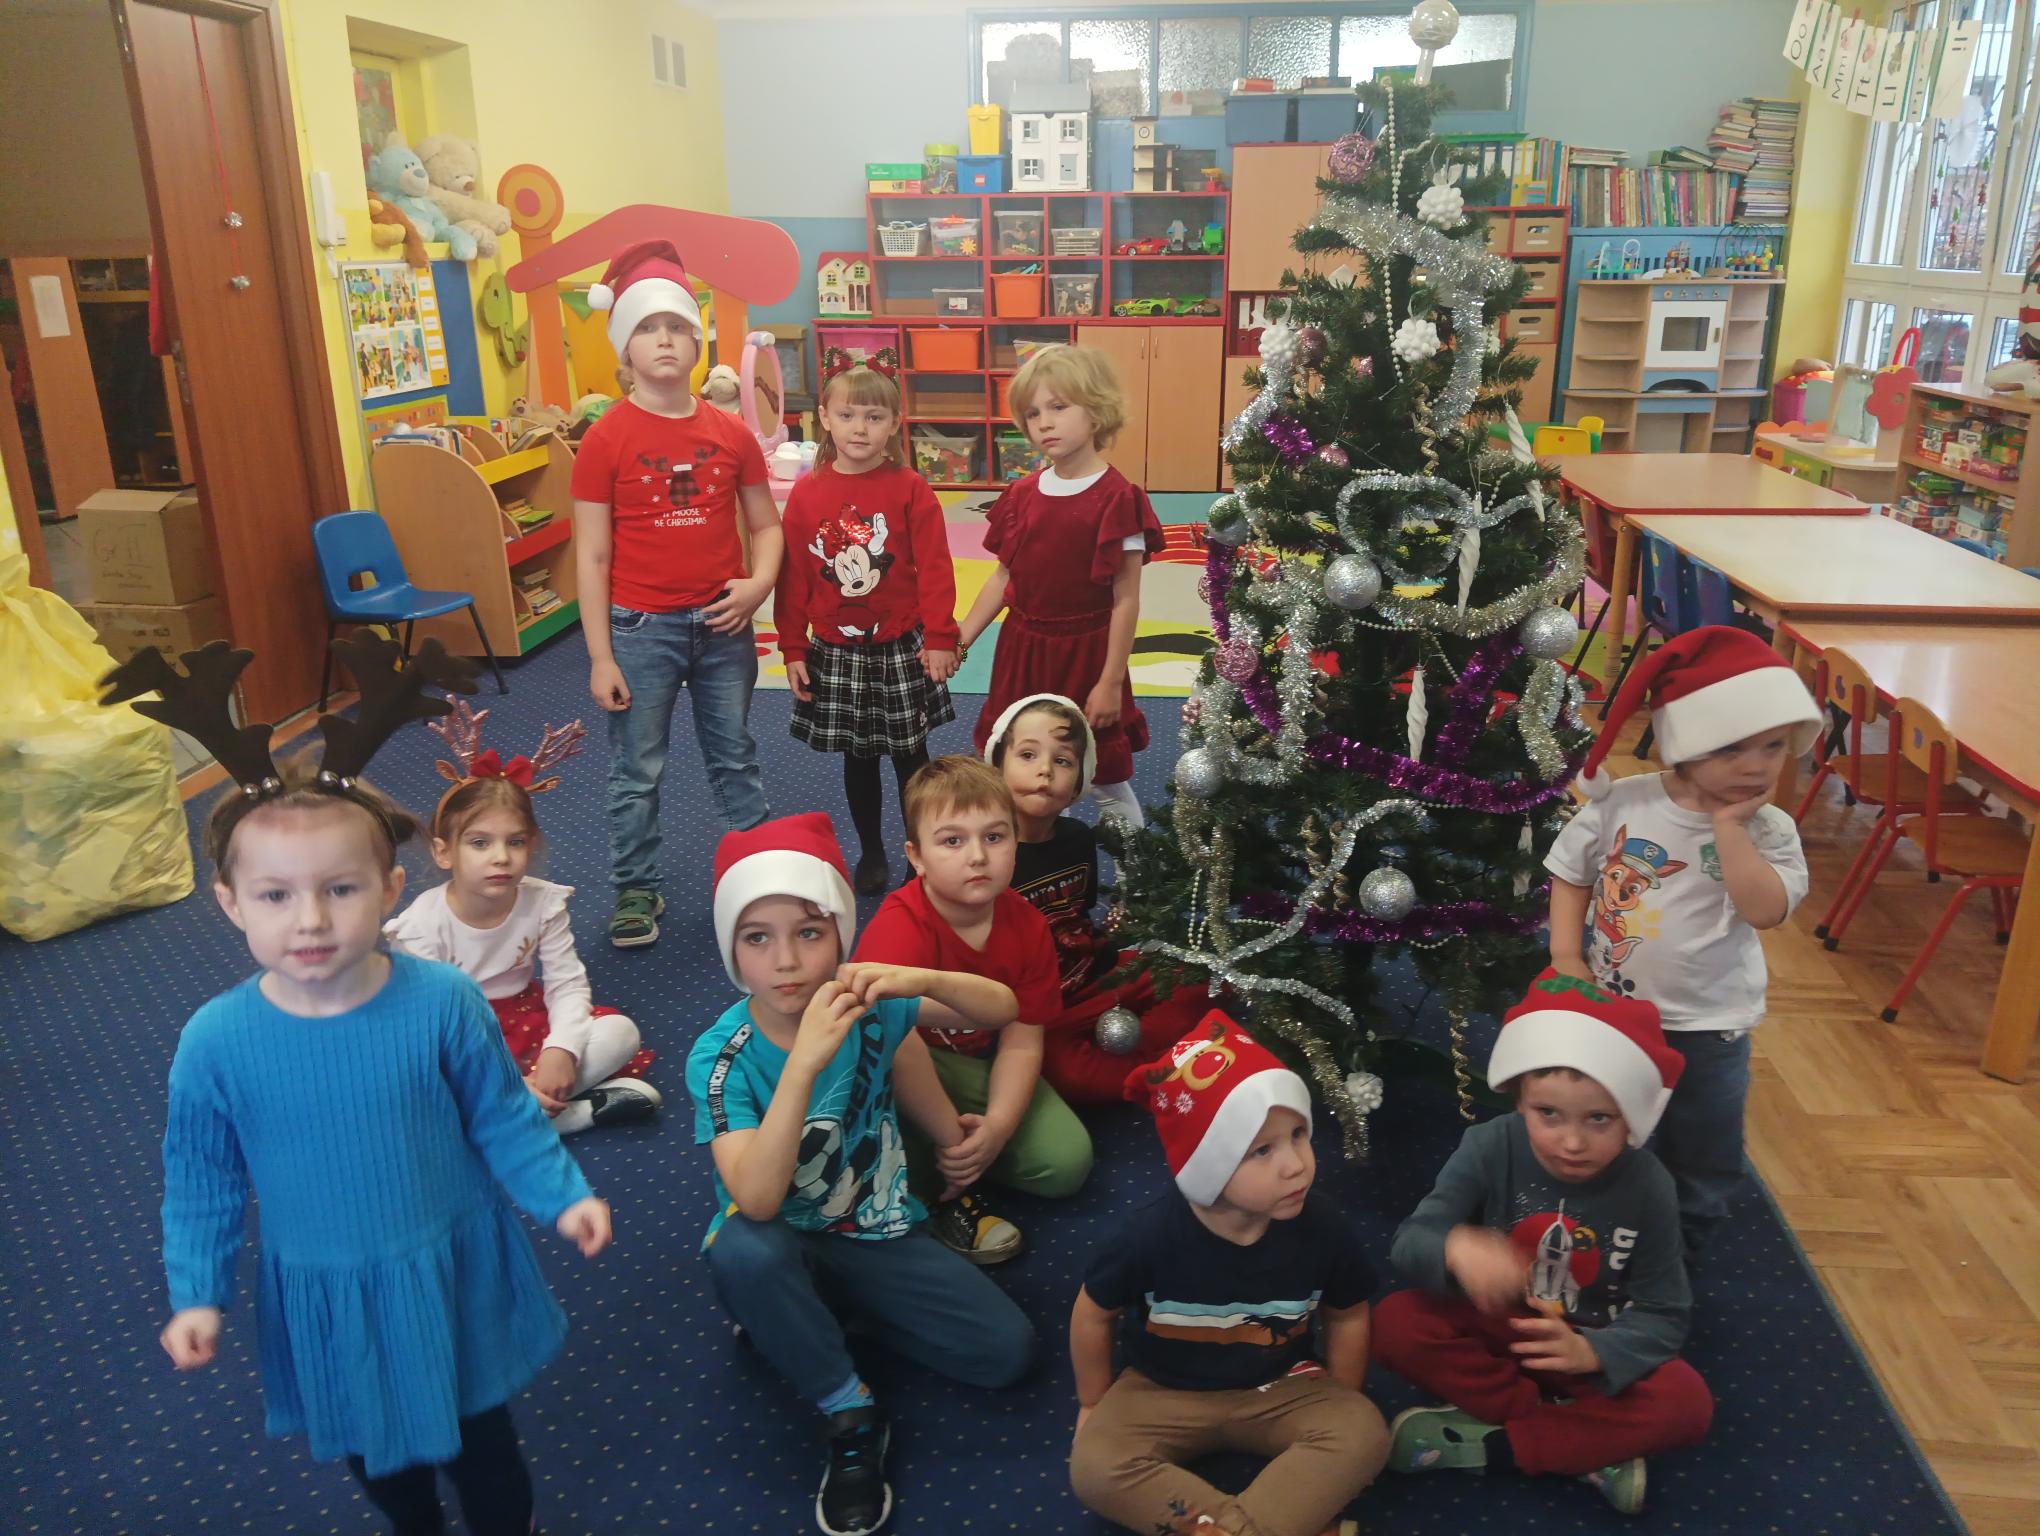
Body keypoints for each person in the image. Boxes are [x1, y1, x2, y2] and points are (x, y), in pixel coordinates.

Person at [133, 640, 611, 1536]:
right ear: (231, 902)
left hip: (447, 1264)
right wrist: (197, 1291)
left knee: (485, 1451)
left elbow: (502, 1116)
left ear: (391, 887)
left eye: (341, 888)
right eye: (275, 896)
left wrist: (562, 1195)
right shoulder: (215, 1043)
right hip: (329, 1288)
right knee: (377, 1457)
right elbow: (202, 1182)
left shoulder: (443, 1001)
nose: (311, 919)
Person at [687, 813, 1035, 1536]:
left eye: (810, 932)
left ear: (842, 935)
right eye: (757, 938)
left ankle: (820, 1316)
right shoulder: (721, 1056)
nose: (787, 960)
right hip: (780, 1235)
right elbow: (757, 1199)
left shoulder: (869, 1003)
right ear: (732, 952)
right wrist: (805, 1062)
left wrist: (922, 978)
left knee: (1007, 1353)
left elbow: (1004, 1008)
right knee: (745, 1253)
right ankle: (848, 1407)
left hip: (871, 1227)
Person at [1372, 969, 1713, 1516]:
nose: (1572, 1142)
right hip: (1501, 1326)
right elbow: (1410, 1242)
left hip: (1590, 1347)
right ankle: (1577, 1441)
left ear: (1633, 1117)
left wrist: (1594, 1353)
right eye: (1547, 1113)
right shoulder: (1488, 1145)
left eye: (1599, 1119)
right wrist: (1455, 1247)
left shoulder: (1649, 1185)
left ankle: (1495, 1444)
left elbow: (1665, 1313)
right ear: (1519, 1101)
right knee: (1394, 1321)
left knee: (1687, 1403)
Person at [1546, 625, 1818, 1255]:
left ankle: (1687, 1241)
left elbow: (1764, 910)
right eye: (1732, 747)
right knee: (1615, 1123)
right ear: (1686, 744)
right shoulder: (1624, 803)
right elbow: (1569, 871)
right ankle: (1608, 1228)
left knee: (1703, 1141)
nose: (1756, 765)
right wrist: (1564, 954)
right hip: (1615, 1010)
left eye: (1773, 746)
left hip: (1708, 1024)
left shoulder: (1770, 829)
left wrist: (1730, 830)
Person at [1068, 1011, 1387, 1536]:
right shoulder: (1145, 1235)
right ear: (1208, 1165)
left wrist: (1344, 1392)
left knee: (1365, 1433)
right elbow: (1093, 1313)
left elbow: (1348, 1313)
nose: (1296, 1164)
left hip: (1282, 1382)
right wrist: (1091, 1402)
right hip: (1160, 1390)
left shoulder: (1324, 1225)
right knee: (1094, 1468)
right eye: (1262, 1150)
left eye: (1299, 1134)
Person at [572, 238, 784, 948]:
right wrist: (601, 656)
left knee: (735, 754)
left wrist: (758, 584)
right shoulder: (604, 439)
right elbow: (592, 555)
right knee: (636, 769)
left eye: (677, 327)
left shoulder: (732, 433)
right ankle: (636, 889)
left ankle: (760, 871)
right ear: (623, 347)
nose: (664, 340)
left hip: (724, 627)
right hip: (641, 631)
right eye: (647, 328)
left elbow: (766, 526)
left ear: (697, 342)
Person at [852, 755, 1093, 1264]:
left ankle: (953, 1164)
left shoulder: (1027, 924)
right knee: (880, 1114)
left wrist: (998, 1128)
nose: (978, 856)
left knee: (1067, 1163)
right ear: (916, 857)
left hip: (977, 1067)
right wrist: (949, 1133)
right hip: (907, 1075)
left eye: (995, 836)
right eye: (952, 841)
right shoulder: (899, 927)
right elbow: (894, 1047)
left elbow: (1023, 1037)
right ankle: (934, 1183)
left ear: (1015, 843)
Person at [384, 700, 660, 1135]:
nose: (501, 857)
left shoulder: (542, 902)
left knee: (620, 1033)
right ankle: (560, 1116)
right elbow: (432, 1028)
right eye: (479, 843)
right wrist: (498, 1078)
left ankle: (510, 1116)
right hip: (460, 1040)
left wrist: (561, 1051)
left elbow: (567, 983)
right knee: (413, 1085)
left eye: (515, 842)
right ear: (443, 852)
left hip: (527, 1022)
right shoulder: (419, 928)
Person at [956, 344, 1163, 828]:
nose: (1044, 423)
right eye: (1032, 414)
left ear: (1096, 410)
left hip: (1087, 657)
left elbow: (1126, 600)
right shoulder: (1021, 496)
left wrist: (1110, 681)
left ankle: (1135, 873)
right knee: (1018, 769)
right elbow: (1004, 577)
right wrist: (962, 638)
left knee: (1102, 775)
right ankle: (1031, 863)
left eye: (1058, 407)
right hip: (1023, 652)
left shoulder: (1119, 499)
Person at [776, 361, 960, 894]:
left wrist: (941, 636)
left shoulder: (910, 488)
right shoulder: (806, 495)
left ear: (894, 423)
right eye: (847, 415)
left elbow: (936, 567)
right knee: (858, 760)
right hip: (836, 650)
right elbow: (793, 578)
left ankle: (920, 851)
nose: (860, 428)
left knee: (911, 759)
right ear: (824, 418)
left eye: (874, 417)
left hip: (901, 646)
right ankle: (873, 850)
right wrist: (792, 647)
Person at [986, 693, 1210, 1101]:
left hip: (1092, 974)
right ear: (998, 765)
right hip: (1038, 1010)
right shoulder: (984, 857)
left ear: (1079, 781)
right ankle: (1159, 1069)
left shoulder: (1076, 838)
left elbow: (1080, 914)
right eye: (1028, 755)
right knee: (1070, 1075)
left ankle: (1138, 1060)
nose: (1044, 770)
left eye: (1062, 761)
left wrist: (1112, 939)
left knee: (1200, 980)